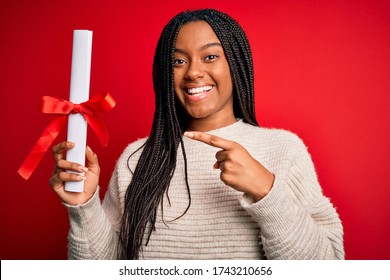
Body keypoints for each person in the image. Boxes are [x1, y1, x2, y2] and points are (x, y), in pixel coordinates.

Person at [50, 9, 344, 260]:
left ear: (236, 64)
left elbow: (328, 264)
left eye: (210, 56)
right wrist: (83, 207)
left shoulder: (282, 149)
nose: (192, 72)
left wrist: (267, 191)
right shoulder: (137, 158)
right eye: (178, 61)